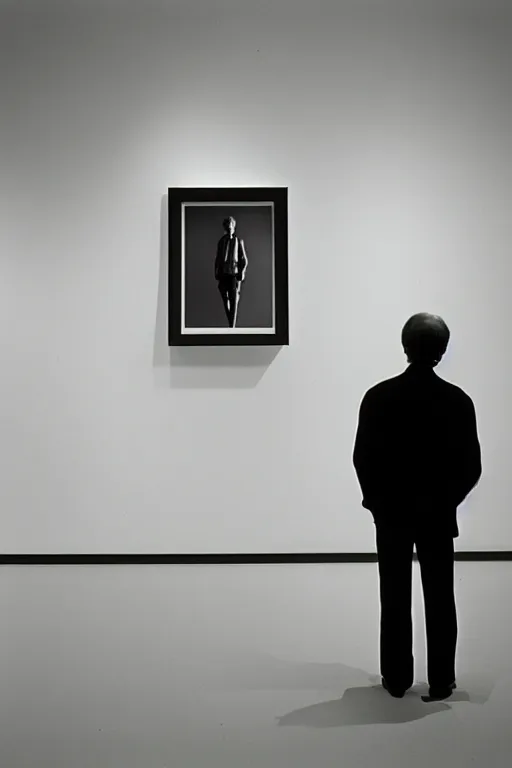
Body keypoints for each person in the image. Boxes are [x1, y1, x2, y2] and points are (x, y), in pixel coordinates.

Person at [352, 312, 482, 702]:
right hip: (437, 516)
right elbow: (470, 466)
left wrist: (377, 504)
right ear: (441, 351)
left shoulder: (378, 396)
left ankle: (396, 678)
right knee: (441, 597)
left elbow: (363, 459)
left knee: (393, 596)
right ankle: (441, 679)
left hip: (391, 515)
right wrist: (447, 502)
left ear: (405, 347)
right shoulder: (457, 401)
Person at [214, 216, 248, 328]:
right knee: (225, 298)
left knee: (234, 300)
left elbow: (244, 260)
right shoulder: (221, 242)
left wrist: (242, 272)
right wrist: (216, 271)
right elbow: (218, 258)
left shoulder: (238, 241)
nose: (229, 229)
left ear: (234, 227)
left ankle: (231, 327)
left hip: (234, 274)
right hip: (223, 274)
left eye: (231, 227)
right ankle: (231, 324)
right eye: (227, 227)